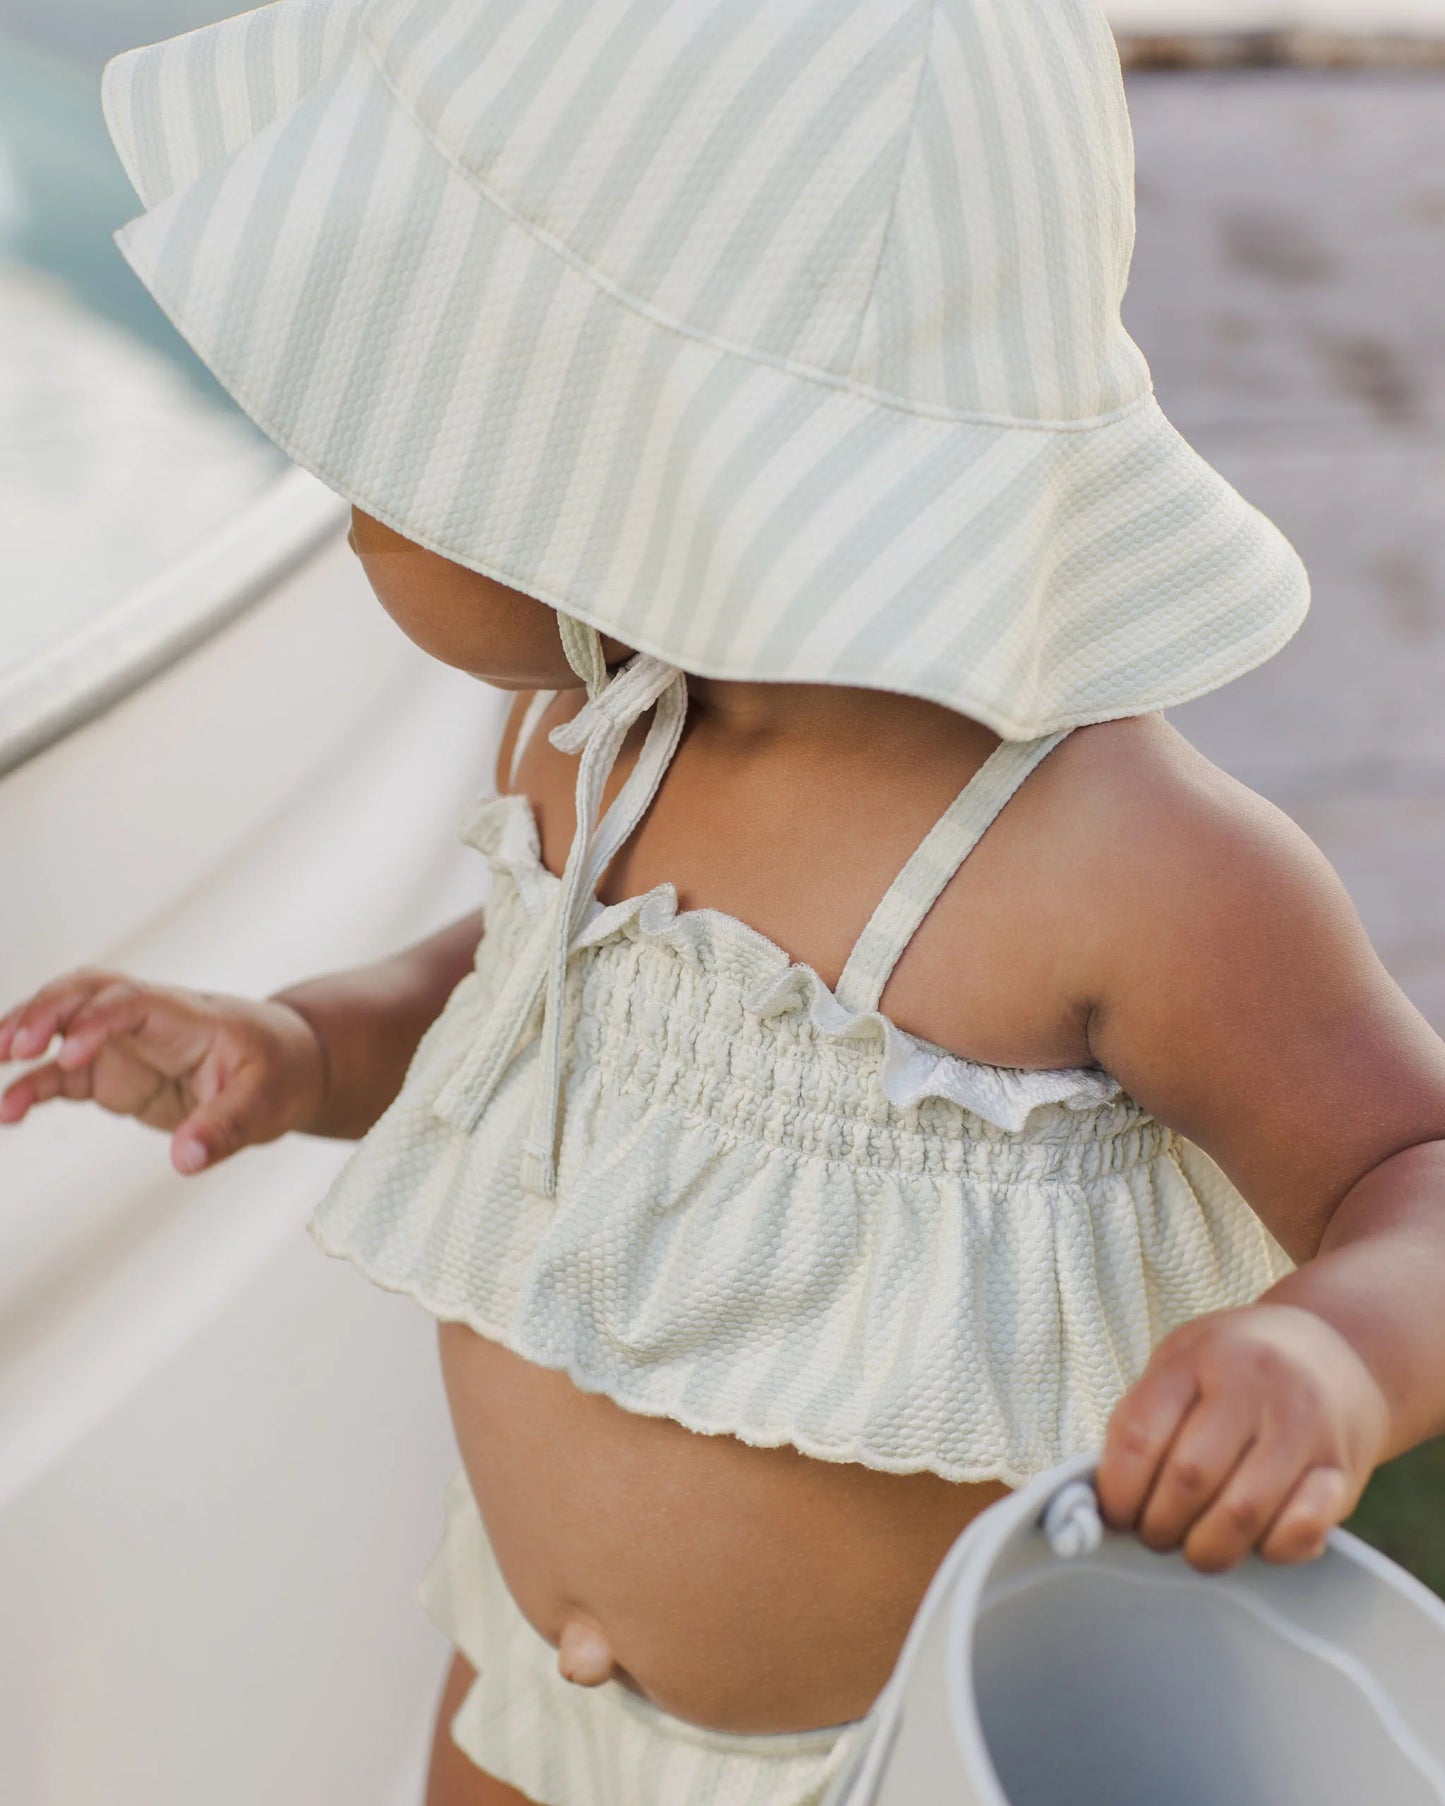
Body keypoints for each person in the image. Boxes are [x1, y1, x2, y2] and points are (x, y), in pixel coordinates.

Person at [5, 2, 1445, 1802]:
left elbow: (1414, 1171)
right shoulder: (594, 722)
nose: (341, 482)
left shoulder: (1122, 868)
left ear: (649, 463)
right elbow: (546, 995)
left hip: (906, 1757)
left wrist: (1332, 1353)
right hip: (532, 1699)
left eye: (389, 433)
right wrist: (306, 1044)